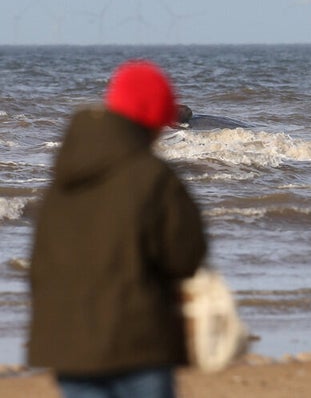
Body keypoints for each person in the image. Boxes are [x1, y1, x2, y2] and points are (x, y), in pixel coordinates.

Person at [28, 60, 209, 397]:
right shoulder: (154, 177)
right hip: (140, 341)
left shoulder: (63, 179)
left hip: (70, 344)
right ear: (158, 118)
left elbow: (40, 262)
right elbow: (187, 255)